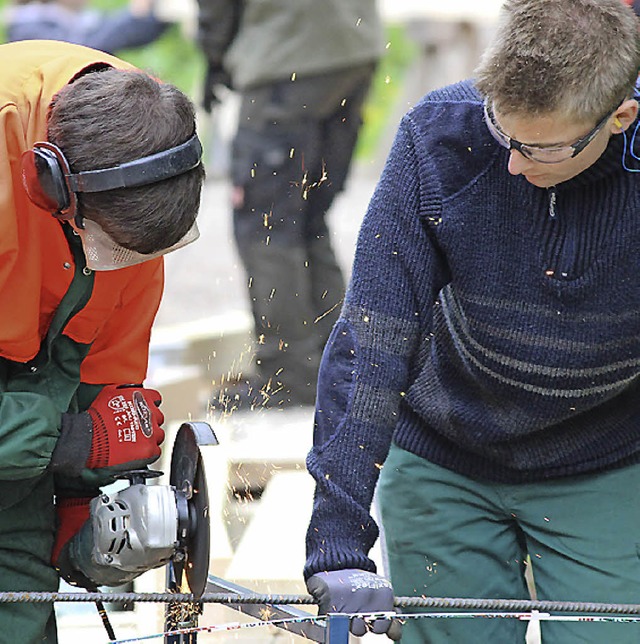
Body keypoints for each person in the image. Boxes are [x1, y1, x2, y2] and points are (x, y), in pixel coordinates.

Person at [302, 0, 640, 642]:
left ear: (620, 117)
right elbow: (371, 344)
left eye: (539, 147)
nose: (512, 162)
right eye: (501, 133)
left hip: (606, 462)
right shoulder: (439, 137)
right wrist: (338, 542)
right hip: (445, 460)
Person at [0, 38, 205, 642]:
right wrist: (74, 440)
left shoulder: (141, 151)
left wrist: (79, 505)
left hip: (26, 413)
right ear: (51, 182)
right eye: (112, 246)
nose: (123, 263)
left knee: (19, 607)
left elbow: (101, 353)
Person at [196, 0, 384, 409]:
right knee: (309, 218)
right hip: (353, 47)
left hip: (286, 55)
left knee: (266, 224)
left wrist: (216, 53)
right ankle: (340, 365)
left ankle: (289, 375)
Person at [5, 0, 169, 55]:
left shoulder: (80, 19)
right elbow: (81, 49)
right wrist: (135, 13)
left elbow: (132, 34)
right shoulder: (28, 25)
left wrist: (158, 15)